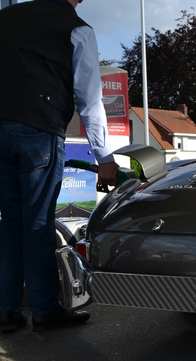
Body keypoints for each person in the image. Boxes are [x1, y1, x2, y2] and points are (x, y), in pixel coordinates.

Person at [0, 0, 119, 332]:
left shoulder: (5, 16)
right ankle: (44, 309)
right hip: (38, 130)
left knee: (9, 223)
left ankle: (5, 310)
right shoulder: (77, 29)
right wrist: (104, 157)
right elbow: (90, 97)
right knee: (37, 224)